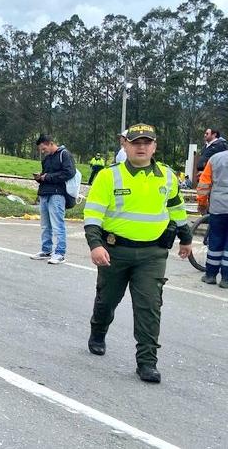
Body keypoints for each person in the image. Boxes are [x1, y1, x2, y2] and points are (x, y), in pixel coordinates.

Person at [83, 123, 192, 384]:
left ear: (154, 146)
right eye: (135, 143)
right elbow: (93, 214)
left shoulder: (167, 177)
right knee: (107, 300)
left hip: (152, 254)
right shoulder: (109, 176)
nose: (141, 147)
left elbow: (176, 208)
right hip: (115, 252)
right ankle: (98, 331)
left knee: (149, 307)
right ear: (125, 145)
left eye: (146, 142)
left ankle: (147, 362)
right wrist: (95, 244)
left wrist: (186, 238)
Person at [30, 135, 75, 264]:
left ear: (50, 143)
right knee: (45, 225)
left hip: (57, 194)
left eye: (44, 148)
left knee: (57, 225)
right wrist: (40, 178)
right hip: (44, 192)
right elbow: (46, 175)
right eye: (41, 150)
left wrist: (48, 177)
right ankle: (46, 250)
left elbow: (69, 173)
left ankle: (60, 253)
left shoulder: (64, 154)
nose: (43, 151)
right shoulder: (46, 159)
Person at [196, 149, 228, 287]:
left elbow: (204, 184)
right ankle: (226, 279)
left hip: (218, 207)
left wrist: (202, 204)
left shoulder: (215, 158)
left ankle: (210, 275)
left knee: (215, 240)